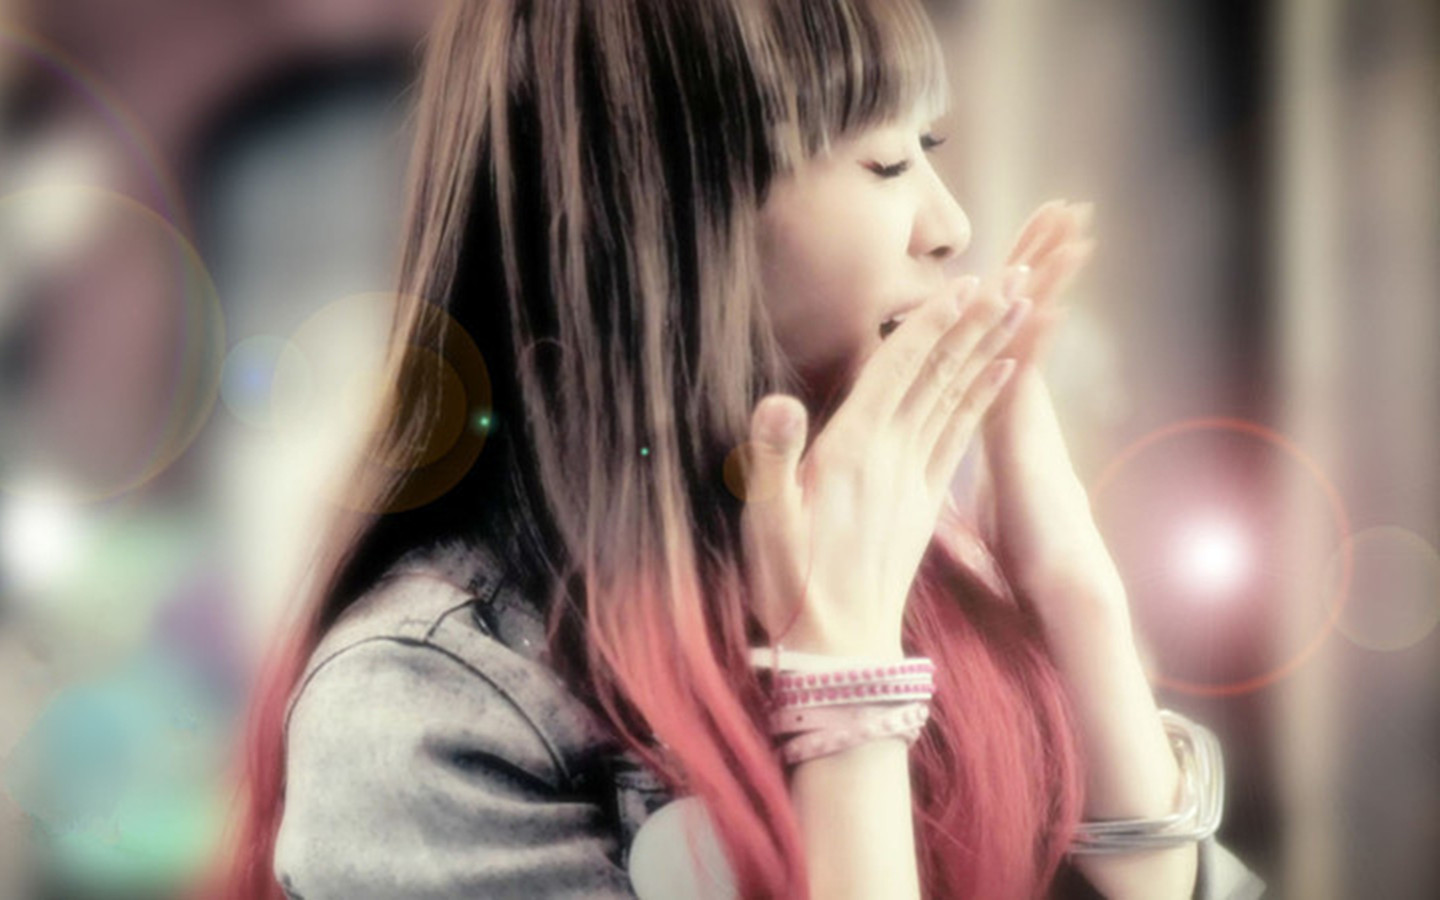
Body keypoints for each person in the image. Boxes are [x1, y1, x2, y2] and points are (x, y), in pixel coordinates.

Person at [214, 1, 1268, 897]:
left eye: (930, 148)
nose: (948, 226)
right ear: (666, 214)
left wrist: (1071, 591)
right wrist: (847, 695)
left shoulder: (907, 565)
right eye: (885, 162)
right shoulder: (433, 702)